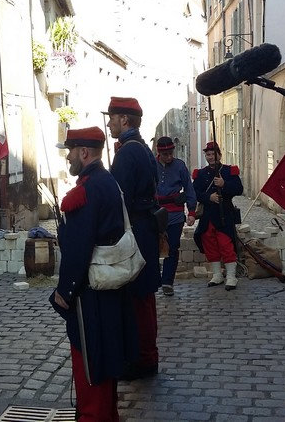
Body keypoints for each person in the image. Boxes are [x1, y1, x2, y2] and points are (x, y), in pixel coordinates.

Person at [50, 127, 138, 420]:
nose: (68, 158)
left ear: (84, 152)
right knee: (108, 359)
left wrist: (64, 292)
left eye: (71, 152)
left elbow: (77, 252)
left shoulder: (83, 192)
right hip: (110, 287)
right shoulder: (107, 181)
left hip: (90, 296)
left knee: (91, 364)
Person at [104, 96, 160, 380]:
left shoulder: (128, 152)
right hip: (144, 227)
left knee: (138, 298)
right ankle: (146, 356)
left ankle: (143, 359)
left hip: (136, 229)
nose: (110, 123)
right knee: (143, 297)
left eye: (112, 118)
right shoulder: (140, 148)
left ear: (124, 119)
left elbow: (119, 197)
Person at [192, 141, 243, 291]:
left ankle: (231, 276)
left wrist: (224, 184)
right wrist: (209, 198)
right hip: (208, 215)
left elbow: (239, 189)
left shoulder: (229, 171)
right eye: (208, 154)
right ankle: (217, 275)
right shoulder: (200, 174)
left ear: (219, 154)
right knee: (210, 245)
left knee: (226, 244)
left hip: (224, 213)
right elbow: (195, 193)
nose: (210, 157)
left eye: (213, 154)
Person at [154, 136, 197, 297]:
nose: (169, 157)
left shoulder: (179, 166)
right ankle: (154, 279)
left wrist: (191, 211)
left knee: (172, 247)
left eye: (171, 153)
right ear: (159, 153)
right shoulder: (152, 165)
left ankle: (167, 282)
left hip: (175, 214)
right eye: (165, 155)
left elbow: (189, 188)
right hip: (156, 213)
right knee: (153, 247)